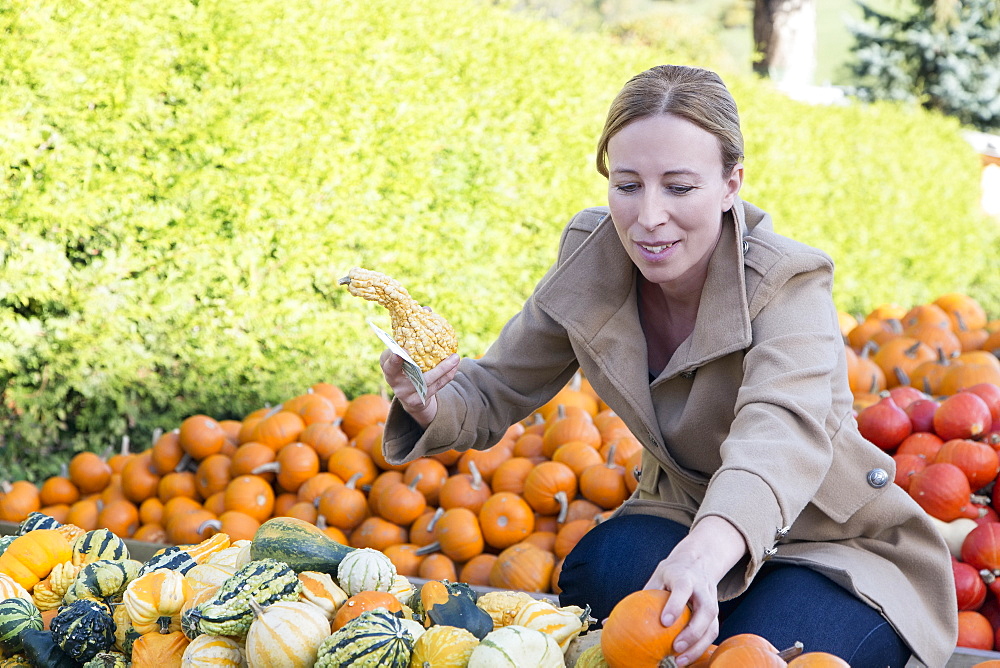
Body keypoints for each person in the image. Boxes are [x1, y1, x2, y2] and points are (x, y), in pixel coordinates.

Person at [379, 64, 957, 667]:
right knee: (600, 571)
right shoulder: (593, 259)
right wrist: (433, 401)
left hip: (827, 538)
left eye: (679, 187)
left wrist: (702, 558)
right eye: (627, 186)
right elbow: (499, 384)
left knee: (764, 653)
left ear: (732, 183)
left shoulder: (789, 280)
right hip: (683, 513)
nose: (649, 216)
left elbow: (778, 435)